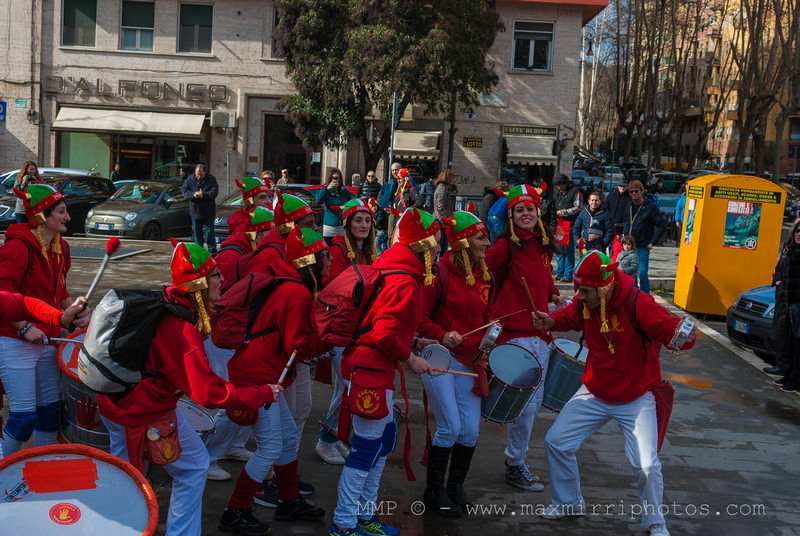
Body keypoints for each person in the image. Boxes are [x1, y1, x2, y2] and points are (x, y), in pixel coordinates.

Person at [96, 240, 282, 536]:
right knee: (162, 474)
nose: (222, 280)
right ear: (199, 283)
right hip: (141, 411)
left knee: (137, 476)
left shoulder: (169, 304)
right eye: (215, 275)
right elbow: (208, 393)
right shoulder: (181, 329)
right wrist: (261, 394)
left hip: (123, 403)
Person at [532, 248, 697, 536]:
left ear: (605, 287)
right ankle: (568, 502)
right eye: (578, 289)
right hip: (595, 390)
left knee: (645, 463)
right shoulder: (586, 302)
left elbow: (670, 328)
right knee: (557, 441)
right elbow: (570, 316)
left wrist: (682, 335)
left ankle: (655, 520)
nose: (579, 296)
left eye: (585, 291)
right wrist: (551, 321)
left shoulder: (638, 302)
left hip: (637, 395)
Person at [328, 208, 437, 536]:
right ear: (424, 246)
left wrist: (415, 339)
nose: (439, 249)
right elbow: (383, 333)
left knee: (383, 440)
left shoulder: (399, 272)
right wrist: (411, 358)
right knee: (365, 449)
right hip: (370, 369)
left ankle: (363, 516)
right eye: (435, 243)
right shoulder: (405, 280)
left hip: (373, 368)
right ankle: (344, 524)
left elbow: (384, 324)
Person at [221, 227, 333, 532]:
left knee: (282, 436)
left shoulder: (290, 285)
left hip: (263, 372)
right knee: (270, 448)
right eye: (325, 257)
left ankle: (288, 501)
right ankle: (236, 510)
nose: (329, 263)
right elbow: (299, 344)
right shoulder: (296, 292)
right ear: (309, 261)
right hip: (258, 376)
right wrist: (330, 339)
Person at [485, 184, 564, 493]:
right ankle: (515, 463)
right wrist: (489, 312)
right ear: (512, 216)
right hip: (515, 335)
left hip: (540, 335)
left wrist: (554, 294)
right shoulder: (505, 246)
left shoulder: (544, 243)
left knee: (532, 403)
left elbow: (543, 280)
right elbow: (480, 272)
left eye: (530, 208)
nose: (526, 213)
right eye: (520, 210)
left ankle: (515, 462)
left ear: (537, 211)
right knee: (524, 406)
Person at [0, 183, 90, 456]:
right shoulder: (17, 248)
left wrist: (77, 310)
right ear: (41, 216)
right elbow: (2, 295)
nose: (68, 217)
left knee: (50, 413)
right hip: (15, 339)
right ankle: (4, 469)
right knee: (24, 416)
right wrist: (25, 326)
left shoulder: (61, 247)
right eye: (61, 212)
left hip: (50, 339)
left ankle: (42, 471)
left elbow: (59, 293)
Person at [416, 210, 493, 517]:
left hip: (470, 361)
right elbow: (419, 318)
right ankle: (433, 492)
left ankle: (455, 487)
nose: (487, 242)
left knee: (470, 432)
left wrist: (491, 330)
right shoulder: (438, 274)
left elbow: (488, 313)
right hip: (438, 358)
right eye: (480, 237)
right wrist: (441, 333)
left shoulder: (486, 274)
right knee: (450, 428)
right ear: (462, 242)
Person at [205, 206, 276, 482]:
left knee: (242, 398)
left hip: (241, 334)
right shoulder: (233, 254)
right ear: (257, 232)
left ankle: (231, 446)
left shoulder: (255, 252)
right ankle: (208, 456)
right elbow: (215, 296)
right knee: (231, 396)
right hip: (226, 335)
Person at [315, 199, 377, 465]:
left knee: (347, 387)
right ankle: (325, 440)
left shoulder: (370, 250)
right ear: (347, 224)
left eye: (367, 220)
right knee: (347, 387)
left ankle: (337, 438)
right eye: (357, 220)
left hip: (359, 330)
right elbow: (334, 289)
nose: (363, 225)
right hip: (344, 330)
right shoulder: (339, 250)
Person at [771, 218, 800, 390]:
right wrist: (779, 281)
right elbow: (780, 268)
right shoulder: (791, 249)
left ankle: (795, 380)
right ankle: (789, 375)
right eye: (796, 231)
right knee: (790, 341)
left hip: (797, 303)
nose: (798, 234)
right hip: (789, 303)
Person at [622, 179, 666, 294]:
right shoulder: (629, 205)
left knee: (642, 273)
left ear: (642, 191)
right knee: (631, 275)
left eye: (636, 191)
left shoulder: (649, 206)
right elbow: (627, 222)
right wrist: (624, 236)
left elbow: (661, 224)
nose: (634, 194)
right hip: (629, 245)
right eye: (631, 192)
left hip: (642, 245)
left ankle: (645, 298)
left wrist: (652, 242)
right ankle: (634, 296)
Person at [181, 164, 219, 255]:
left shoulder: (211, 179)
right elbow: (184, 190)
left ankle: (212, 249)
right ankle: (199, 250)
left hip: (208, 211)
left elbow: (214, 192)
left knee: (209, 231)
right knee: (197, 232)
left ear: (205, 172)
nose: (198, 177)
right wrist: (192, 195)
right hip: (195, 210)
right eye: (197, 174)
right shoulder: (190, 179)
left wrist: (203, 195)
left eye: (200, 175)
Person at [554, 174, 584, 282]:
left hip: (569, 225)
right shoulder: (557, 192)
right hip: (558, 225)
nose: (558, 188)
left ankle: (568, 274)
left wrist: (564, 212)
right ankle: (559, 272)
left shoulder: (575, 191)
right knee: (558, 250)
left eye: (560, 186)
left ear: (565, 184)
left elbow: (578, 207)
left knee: (568, 251)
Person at [316, 168, 355, 244]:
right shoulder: (325, 190)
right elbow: (318, 201)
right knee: (329, 247)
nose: (336, 180)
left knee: (341, 247)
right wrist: (327, 189)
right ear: (330, 179)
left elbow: (352, 205)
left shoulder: (345, 192)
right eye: (333, 178)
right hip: (329, 227)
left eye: (337, 178)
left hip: (341, 226)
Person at [387, 165, 421, 239]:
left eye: (400, 179)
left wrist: (408, 211)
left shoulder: (411, 190)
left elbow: (419, 202)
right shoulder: (398, 191)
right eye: (397, 179)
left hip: (407, 222)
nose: (398, 181)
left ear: (405, 179)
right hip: (398, 221)